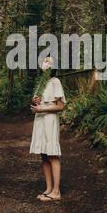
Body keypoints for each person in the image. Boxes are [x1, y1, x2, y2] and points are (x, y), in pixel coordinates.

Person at [30, 58, 66, 202]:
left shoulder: (55, 81)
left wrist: (42, 108)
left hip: (50, 120)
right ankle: (48, 189)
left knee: (52, 155)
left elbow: (61, 106)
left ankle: (56, 192)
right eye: (44, 61)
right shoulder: (41, 82)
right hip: (39, 120)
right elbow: (38, 101)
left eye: (48, 62)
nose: (45, 63)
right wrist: (35, 102)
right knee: (44, 155)